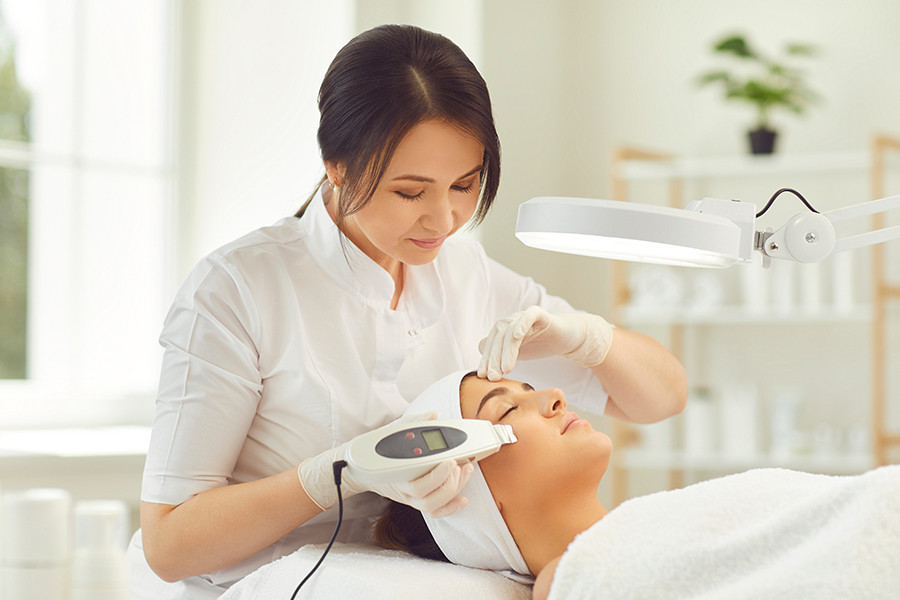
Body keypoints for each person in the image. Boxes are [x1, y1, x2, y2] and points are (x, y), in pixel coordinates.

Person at [127, 24, 687, 599]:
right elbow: (168, 546)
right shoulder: (239, 288)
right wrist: (339, 473)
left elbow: (661, 399)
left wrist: (585, 338)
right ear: (338, 167)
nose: (443, 220)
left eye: (465, 184)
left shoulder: (465, 273)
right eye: (410, 192)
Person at [375, 370, 900, 600]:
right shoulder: (571, 582)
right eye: (508, 410)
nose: (554, 396)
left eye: (528, 388)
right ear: (472, 501)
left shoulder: (649, 526)